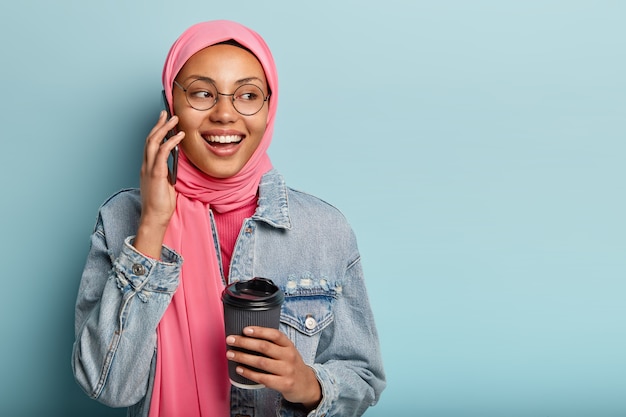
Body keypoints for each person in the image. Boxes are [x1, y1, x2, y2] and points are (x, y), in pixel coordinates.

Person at [72, 20, 385, 417]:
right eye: (202, 93)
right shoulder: (121, 219)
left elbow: (364, 378)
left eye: (248, 95)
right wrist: (152, 225)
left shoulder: (324, 231)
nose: (224, 114)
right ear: (171, 105)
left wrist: (306, 384)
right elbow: (108, 384)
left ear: (269, 108)